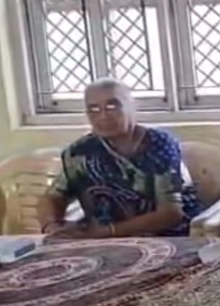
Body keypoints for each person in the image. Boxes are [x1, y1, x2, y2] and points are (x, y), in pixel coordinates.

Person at [37, 78, 202, 237]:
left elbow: (171, 214)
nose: (103, 116)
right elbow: (53, 197)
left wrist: (107, 232)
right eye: (94, 109)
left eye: (112, 106)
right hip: (104, 242)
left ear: (132, 107)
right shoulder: (80, 152)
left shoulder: (159, 144)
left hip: (168, 237)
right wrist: (51, 226)